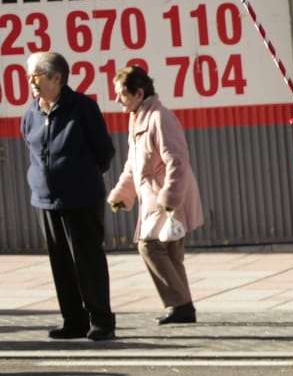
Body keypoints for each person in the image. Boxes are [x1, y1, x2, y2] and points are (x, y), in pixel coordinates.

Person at [22, 51, 117, 341]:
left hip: (81, 198)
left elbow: (104, 151)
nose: (31, 81)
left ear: (57, 78)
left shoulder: (82, 108)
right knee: (61, 263)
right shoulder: (31, 113)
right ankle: (73, 320)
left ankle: (101, 320)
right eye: (29, 76)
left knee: (87, 261)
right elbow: (32, 147)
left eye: (36, 75)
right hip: (45, 200)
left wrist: (80, 176)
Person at [106, 65, 204, 325]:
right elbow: (133, 165)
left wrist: (170, 199)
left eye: (121, 94)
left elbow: (177, 161)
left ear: (138, 93)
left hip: (166, 199)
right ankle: (184, 308)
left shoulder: (159, 117)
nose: (117, 100)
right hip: (157, 198)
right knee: (170, 253)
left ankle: (180, 305)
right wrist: (121, 194)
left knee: (149, 246)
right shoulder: (139, 117)